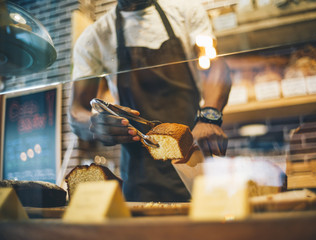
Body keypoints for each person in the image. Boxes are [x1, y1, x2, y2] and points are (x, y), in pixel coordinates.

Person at [68, 0, 232, 202]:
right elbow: (76, 111)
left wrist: (209, 117)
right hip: (140, 180)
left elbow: (214, 65)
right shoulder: (95, 37)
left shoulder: (186, 12)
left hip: (196, 164)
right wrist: (94, 123)